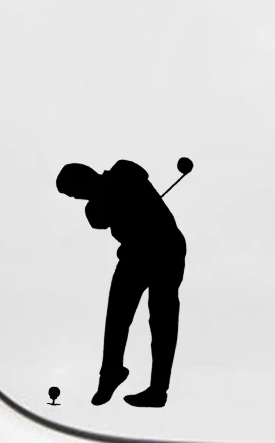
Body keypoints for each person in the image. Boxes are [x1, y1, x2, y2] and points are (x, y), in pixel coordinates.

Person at [56, 159, 187, 408]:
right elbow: (98, 220)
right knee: (117, 316)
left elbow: (135, 173)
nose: (77, 198)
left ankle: (158, 389)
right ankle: (111, 373)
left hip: (166, 250)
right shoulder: (95, 206)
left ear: (85, 179)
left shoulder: (123, 171)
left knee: (162, 320)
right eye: (72, 196)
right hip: (135, 255)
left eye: (74, 192)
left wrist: (110, 194)